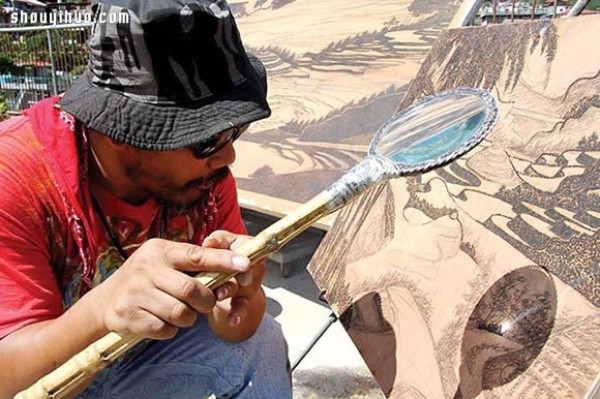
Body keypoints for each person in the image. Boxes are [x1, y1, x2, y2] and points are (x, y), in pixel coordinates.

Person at [0, 0, 292, 397]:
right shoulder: (16, 176)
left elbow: (237, 329)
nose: (228, 156)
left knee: (263, 342)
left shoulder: (201, 178)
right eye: (206, 138)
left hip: (139, 359)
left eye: (233, 130)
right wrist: (102, 310)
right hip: (52, 379)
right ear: (122, 132)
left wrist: (240, 298)